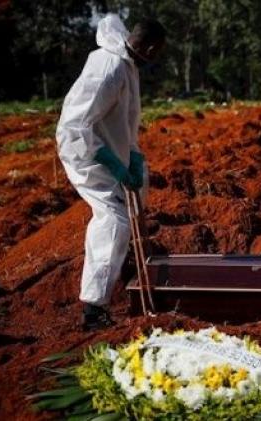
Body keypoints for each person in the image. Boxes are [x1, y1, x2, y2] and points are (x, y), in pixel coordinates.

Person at [56, 15, 166, 331]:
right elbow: (75, 126)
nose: (156, 58)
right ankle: (94, 308)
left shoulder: (127, 65)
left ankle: (124, 260)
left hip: (107, 148)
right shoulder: (109, 68)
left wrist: (131, 156)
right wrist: (112, 163)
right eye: (157, 52)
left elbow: (124, 120)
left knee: (137, 189)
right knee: (114, 218)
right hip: (83, 152)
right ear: (150, 46)